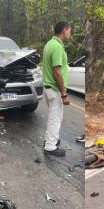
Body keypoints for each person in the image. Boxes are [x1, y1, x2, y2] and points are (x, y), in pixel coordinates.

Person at [42, 21, 71, 156]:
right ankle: (50, 147)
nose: (70, 33)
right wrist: (64, 94)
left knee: (53, 117)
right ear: (64, 30)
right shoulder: (58, 47)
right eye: (69, 30)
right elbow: (57, 71)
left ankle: (50, 140)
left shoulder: (49, 44)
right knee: (55, 118)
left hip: (48, 88)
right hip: (54, 89)